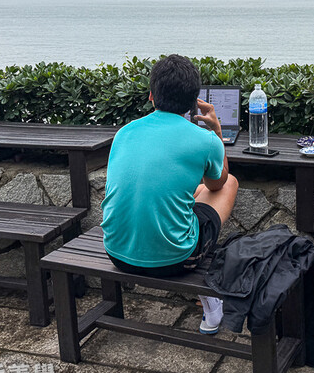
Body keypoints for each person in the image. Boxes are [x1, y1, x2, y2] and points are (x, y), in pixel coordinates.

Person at [101, 54, 239, 335]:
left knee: (189, 193)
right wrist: (217, 131)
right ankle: (209, 294)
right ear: (194, 102)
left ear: (152, 95)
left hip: (116, 252)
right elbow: (217, 185)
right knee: (231, 182)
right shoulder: (205, 140)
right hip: (174, 260)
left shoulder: (124, 133)